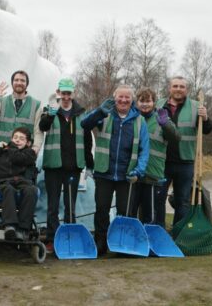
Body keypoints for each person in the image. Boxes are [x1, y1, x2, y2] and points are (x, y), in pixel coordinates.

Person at [81, 85, 149, 255]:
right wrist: (99, 111)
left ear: (132, 100)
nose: (123, 100)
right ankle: (100, 242)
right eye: (120, 97)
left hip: (127, 175)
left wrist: (139, 170)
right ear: (115, 98)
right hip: (104, 172)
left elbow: (144, 149)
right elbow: (85, 124)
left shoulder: (140, 121)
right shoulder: (105, 115)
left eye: (127, 97)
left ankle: (121, 244)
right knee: (101, 209)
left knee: (124, 211)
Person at [39, 77, 94, 253]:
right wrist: (51, 113)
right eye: (63, 93)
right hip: (53, 166)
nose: (66, 96)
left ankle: (69, 238)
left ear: (73, 93)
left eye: (69, 93)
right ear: (58, 93)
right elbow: (43, 127)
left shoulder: (81, 113)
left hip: (73, 167)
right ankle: (51, 239)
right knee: (52, 206)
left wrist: (89, 165)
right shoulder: (50, 110)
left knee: (70, 204)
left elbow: (86, 141)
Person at [156, 76, 212, 227]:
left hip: (185, 162)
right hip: (162, 161)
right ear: (170, 88)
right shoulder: (159, 104)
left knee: (182, 201)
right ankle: (159, 231)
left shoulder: (196, 106)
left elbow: (207, 130)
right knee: (158, 198)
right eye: (175, 86)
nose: (178, 89)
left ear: (186, 90)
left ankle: (178, 234)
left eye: (182, 86)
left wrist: (206, 118)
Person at [129, 88, 180, 227]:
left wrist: (166, 125)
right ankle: (132, 243)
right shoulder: (131, 118)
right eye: (142, 101)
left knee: (150, 214)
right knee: (130, 211)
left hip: (153, 173)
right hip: (133, 173)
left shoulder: (161, 118)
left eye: (148, 101)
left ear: (154, 102)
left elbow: (175, 137)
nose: (145, 104)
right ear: (137, 102)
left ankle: (150, 243)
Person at [0, 127, 38, 241]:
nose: (17, 140)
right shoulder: (4, 152)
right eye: (15, 138)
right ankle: (10, 226)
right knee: (8, 189)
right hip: (5, 181)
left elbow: (18, 158)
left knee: (31, 191)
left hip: (23, 182)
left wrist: (11, 147)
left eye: (21, 139)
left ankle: (23, 229)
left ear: (27, 143)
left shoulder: (30, 153)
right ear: (11, 138)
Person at [0, 70, 44, 153]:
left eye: (22, 80)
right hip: (4, 152)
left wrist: (35, 149)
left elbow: (38, 131)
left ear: (27, 84)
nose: (19, 83)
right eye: (16, 80)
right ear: (12, 83)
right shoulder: (2, 101)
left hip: (24, 154)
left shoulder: (36, 104)